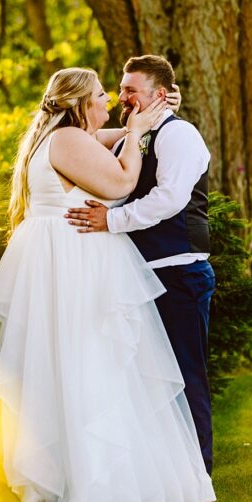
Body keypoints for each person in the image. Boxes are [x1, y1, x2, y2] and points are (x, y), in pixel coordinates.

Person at [0, 67, 215, 502]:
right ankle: (92, 481)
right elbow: (122, 185)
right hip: (72, 262)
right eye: (104, 96)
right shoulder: (68, 141)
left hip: (59, 259)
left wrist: (148, 116)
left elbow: (116, 133)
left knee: (76, 367)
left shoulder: (61, 135)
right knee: (89, 366)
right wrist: (141, 128)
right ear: (82, 103)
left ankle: (69, 475)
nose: (112, 103)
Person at [64, 55, 215, 474]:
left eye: (131, 90)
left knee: (185, 374)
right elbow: (85, 141)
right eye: (121, 87)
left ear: (158, 94)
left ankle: (196, 471)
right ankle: (157, 471)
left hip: (178, 271)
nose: (121, 96)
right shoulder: (131, 136)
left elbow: (169, 200)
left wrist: (111, 220)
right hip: (136, 274)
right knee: (143, 378)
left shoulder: (179, 136)